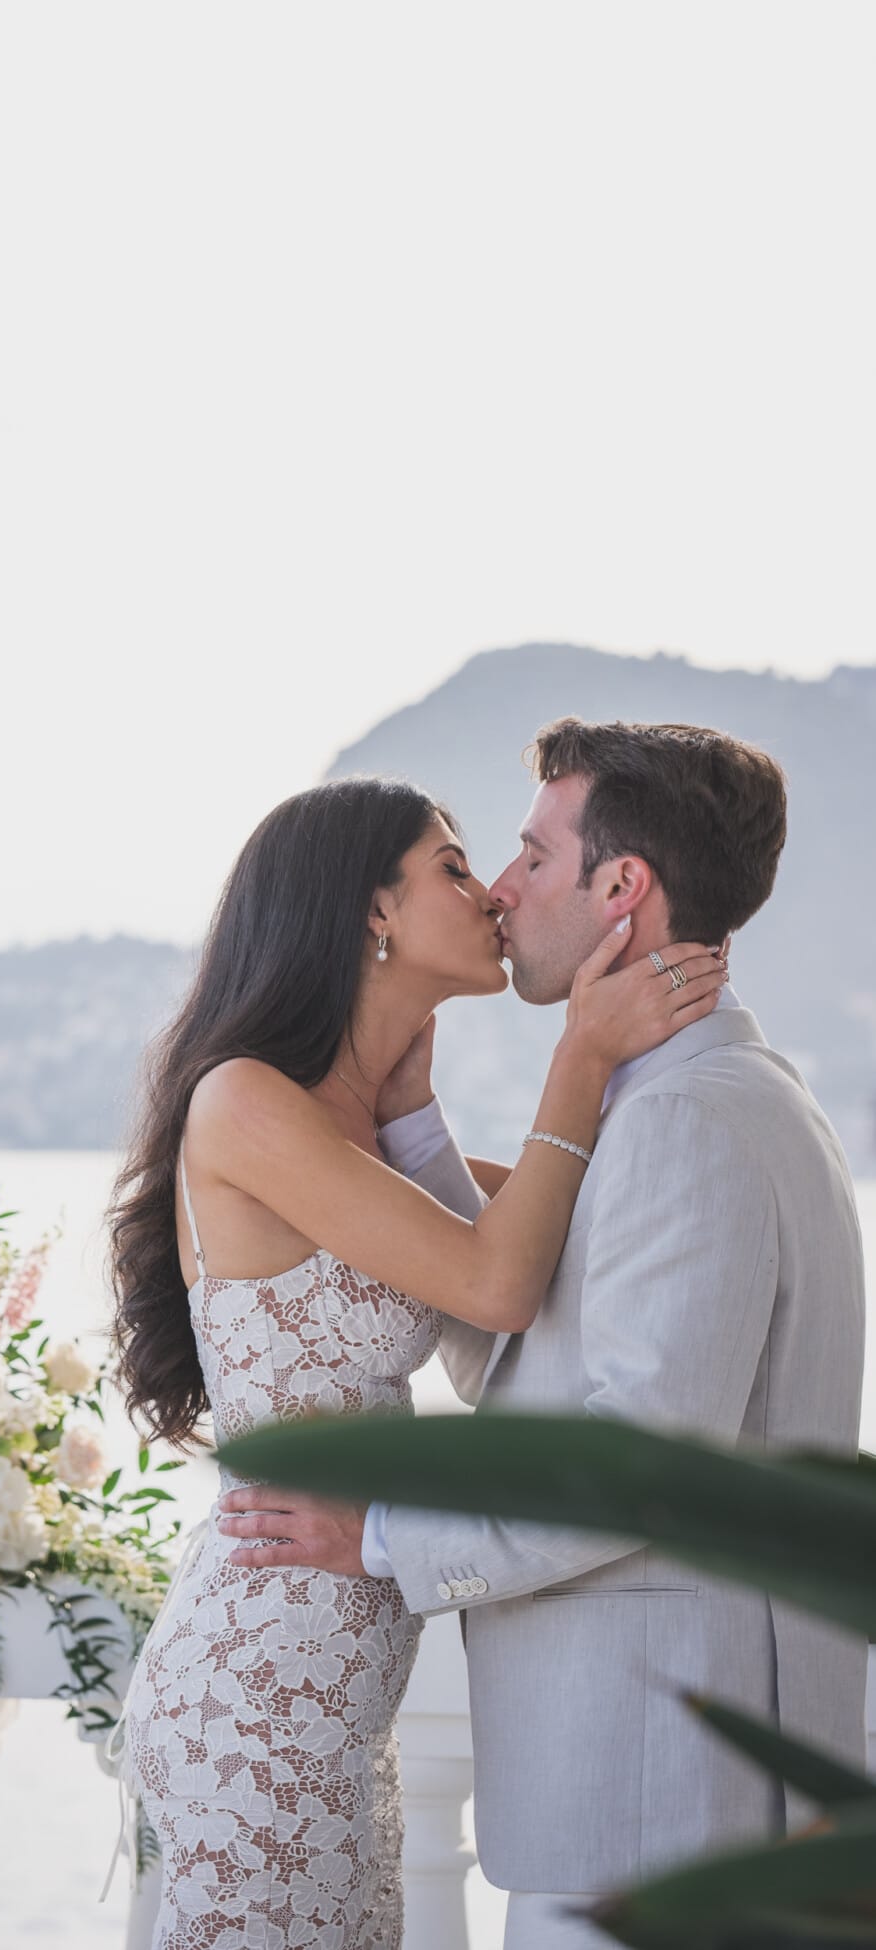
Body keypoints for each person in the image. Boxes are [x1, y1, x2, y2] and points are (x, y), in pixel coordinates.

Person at [218, 720, 868, 1950]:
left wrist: (378, 1535)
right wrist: (415, 1125)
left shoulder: (685, 1121)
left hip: (662, 1808)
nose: (503, 891)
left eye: (530, 855)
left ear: (620, 888)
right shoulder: (694, 1099)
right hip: (648, 1798)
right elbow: (522, 1353)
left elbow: (638, 1467)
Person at [108, 770, 725, 1949]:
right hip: (259, 1692)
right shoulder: (246, 1100)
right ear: (371, 909)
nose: (490, 892)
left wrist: (419, 1116)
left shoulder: (362, 1127)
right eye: (451, 865)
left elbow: (555, 1240)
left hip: (336, 1695)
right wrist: (580, 1058)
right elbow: (497, 1283)